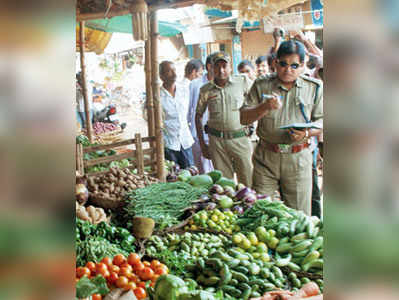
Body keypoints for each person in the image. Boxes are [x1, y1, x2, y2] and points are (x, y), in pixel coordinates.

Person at [240, 40, 323, 215]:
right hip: (266, 158)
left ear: (302, 65)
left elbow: (323, 121)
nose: (288, 69)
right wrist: (264, 107)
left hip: (298, 159)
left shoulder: (314, 88)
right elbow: (243, 118)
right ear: (275, 63)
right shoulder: (262, 85)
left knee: (299, 216)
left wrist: (306, 133)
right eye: (283, 64)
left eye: (294, 65)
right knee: (261, 211)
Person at [196, 52, 253, 186]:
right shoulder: (206, 90)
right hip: (217, 142)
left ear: (230, 67)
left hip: (240, 138)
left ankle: (250, 206)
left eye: (224, 66)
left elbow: (256, 100)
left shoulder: (242, 82)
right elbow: (197, 116)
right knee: (224, 184)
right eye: (217, 67)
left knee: (248, 180)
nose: (221, 70)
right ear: (211, 68)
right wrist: (203, 145)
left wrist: (253, 125)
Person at [159, 60, 194, 169]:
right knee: (173, 177)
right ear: (161, 76)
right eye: (169, 71)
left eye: (174, 70)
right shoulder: (157, 96)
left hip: (185, 141)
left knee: (191, 174)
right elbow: (148, 117)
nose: (174, 74)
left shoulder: (184, 90)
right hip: (169, 144)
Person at [188, 54, 217, 173]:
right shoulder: (195, 84)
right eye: (217, 65)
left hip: (216, 135)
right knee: (201, 171)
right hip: (198, 135)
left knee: (217, 170)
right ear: (209, 66)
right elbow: (189, 109)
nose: (221, 69)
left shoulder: (222, 84)